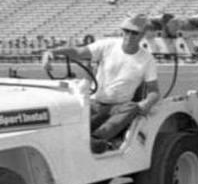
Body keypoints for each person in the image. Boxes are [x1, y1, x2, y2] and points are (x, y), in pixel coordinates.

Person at [41, 14, 160, 153]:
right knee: (68, 110)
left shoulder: (147, 59)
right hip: (95, 102)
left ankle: (96, 139)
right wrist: (52, 52)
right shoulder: (108, 45)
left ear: (142, 35)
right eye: (126, 31)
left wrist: (147, 102)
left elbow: (154, 91)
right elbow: (79, 52)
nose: (129, 35)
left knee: (132, 108)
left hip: (119, 107)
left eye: (134, 33)